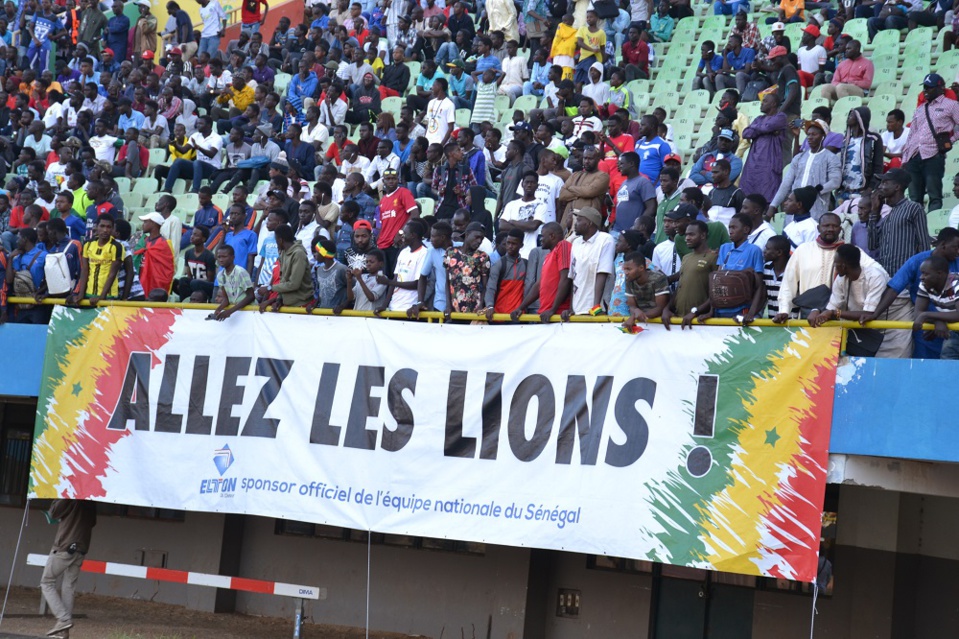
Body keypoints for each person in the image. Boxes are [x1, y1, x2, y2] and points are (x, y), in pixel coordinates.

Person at [809, 244, 890, 356]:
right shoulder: (841, 279)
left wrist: (834, 313)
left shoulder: (875, 276)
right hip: (862, 334)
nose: (835, 267)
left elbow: (868, 313)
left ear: (843, 266)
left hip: (890, 324)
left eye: (835, 264)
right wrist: (816, 311)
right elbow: (831, 307)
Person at [901, 74, 959, 212]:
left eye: (929, 88)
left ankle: (932, 227)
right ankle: (917, 229)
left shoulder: (951, 105)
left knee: (934, 196)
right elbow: (912, 134)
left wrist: (950, 141)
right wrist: (905, 158)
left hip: (933, 155)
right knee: (914, 198)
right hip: (914, 155)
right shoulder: (920, 108)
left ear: (940, 88)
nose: (925, 90)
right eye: (925, 87)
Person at [769, 119, 841, 222]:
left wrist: (816, 190)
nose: (810, 138)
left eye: (814, 134)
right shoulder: (799, 157)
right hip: (794, 209)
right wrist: (773, 205)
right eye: (808, 135)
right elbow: (786, 183)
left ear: (823, 137)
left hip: (816, 208)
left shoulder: (831, 158)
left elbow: (835, 182)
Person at [510, 221, 572, 322]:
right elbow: (539, 285)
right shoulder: (548, 256)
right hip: (546, 314)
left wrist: (553, 309)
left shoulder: (563, 246)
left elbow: (565, 279)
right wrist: (521, 307)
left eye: (542, 236)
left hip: (557, 314)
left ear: (552, 236)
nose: (540, 240)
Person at [661, 220, 717, 329]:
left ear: (703, 235)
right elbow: (679, 287)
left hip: (699, 320)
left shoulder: (713, 257)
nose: (687, 238)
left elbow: (715, 294)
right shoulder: (686, 258)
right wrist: (667, 308)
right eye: (686, 235)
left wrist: (695, 312)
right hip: (679, 318)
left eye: (691, 234)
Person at [567, 206, 615, 316]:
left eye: (579, 220)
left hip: (596, 309)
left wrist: (596, 306)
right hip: (577, 308)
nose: (575, 224)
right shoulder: (576, 243)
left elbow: (602, 273)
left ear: (589, 223)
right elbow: (573, 277)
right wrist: (571, 307)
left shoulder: (605, 239)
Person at [912, 254, 959, 359]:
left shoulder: (956, 283)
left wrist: (926, 315)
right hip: (955, 330)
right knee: (948, 360)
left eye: (925, 274)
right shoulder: (925, 285)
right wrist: (937, 321)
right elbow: (918, 314)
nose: (921, 277)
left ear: (939, 274)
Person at [259, 224, 313, 311]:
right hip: (288, 303)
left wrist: (269, 288)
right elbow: (283, 279)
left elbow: (294, 284)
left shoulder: (298, 254)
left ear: (280, 240)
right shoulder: (283, 253)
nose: (276, 243)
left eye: (276, 240)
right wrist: (279, 299)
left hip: (301, 304)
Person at [73, 213, 122, 306]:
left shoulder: (116, 247)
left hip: (108, 295)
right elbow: (85, 270)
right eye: (102, 226)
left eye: (108, 227)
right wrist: (81, 293)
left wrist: (101, 297)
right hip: (89, 293)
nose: (105, 230)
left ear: (112, 229)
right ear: (96, 227)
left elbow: (112, 274)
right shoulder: (88, 244)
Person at [839, 107, 885, 201]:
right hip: (844, 192)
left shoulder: (873, 139)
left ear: (861, 117)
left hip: (862, 192)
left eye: (852, 115)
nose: (848, 117)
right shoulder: (846, 140)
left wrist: (870, 188)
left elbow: (878, 166)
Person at [484, 229, 529, 318]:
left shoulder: (526, 264)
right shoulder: (499, 264)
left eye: (514, 244)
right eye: (508, 243)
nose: (510, 246)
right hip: (499, 315)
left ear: (521, 245)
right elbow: (490, 287)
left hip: (519, 315)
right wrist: (490, 306)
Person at [622, 250, 670, 329]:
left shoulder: (658, 278)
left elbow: (660, 308)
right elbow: (631, 306)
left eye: (629, 269)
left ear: (641, 268)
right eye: (625, 269)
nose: (626, 272)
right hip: (642, 323)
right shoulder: (629, 280)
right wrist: (636, 311)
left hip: (661, 323)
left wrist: (634, 316)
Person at [612, 152, 656, 237]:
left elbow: (651, 207)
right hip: (617, 230)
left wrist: (637, 227)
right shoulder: (624, 182)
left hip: (631, 234)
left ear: (631, 164)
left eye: (621, 163)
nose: (619, 166)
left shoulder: (643, 182)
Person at [208, 244, 254, 321]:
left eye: (224, 257)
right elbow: (226, 299)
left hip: (248, 310)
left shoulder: (240, 272)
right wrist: (219, 309)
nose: (221, 260)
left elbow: (251, 296)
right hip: (236, 311)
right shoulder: (220, 275)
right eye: (219, 257)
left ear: (232, 257)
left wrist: (229, 311)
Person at [136, 213, 176, 295]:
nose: (143, 225)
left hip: (155, 284)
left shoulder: (164, 244)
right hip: (140, 281)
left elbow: (167, 268)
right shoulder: (143, 241)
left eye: (145, 222)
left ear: (153, 223)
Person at [308, 238, 348, 312]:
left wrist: (342, 306)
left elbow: (353, 289)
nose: (314, 255)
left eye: (317, 252)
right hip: (323, 313)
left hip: (338, 314)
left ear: (324, 253)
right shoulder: (319, 270)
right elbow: (321, 292)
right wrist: (315, 304)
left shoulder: (341, 269)